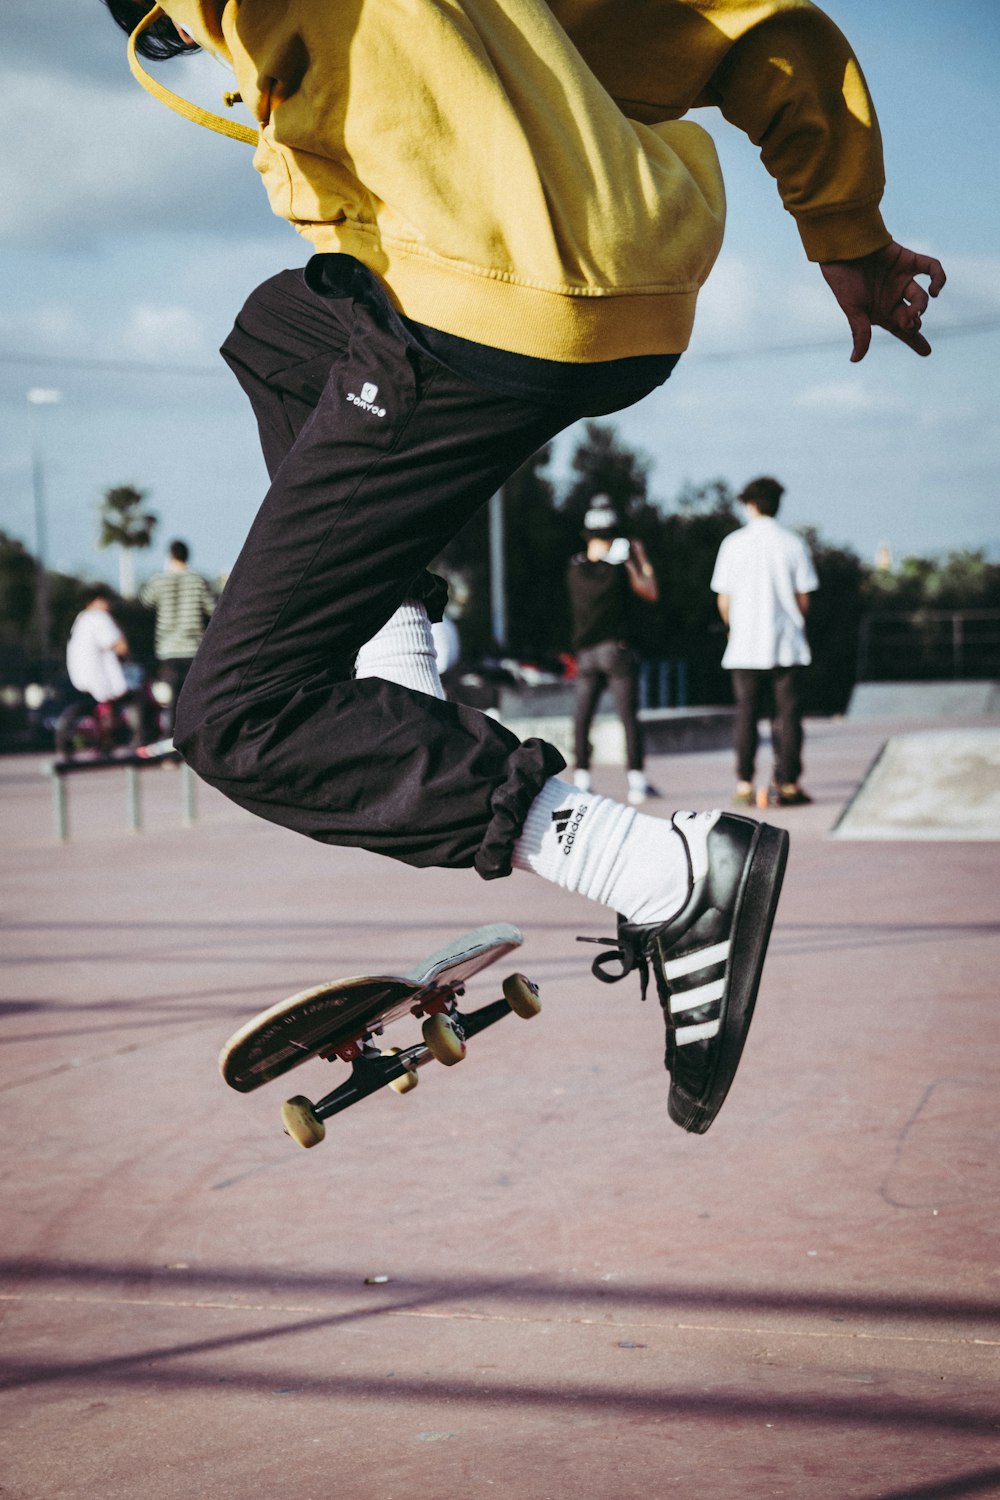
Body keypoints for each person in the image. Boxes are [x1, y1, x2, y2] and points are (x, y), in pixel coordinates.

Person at [101, 0, 945, 1135]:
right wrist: (843, 228)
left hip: (486, 310)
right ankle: (397, 663)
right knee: (282, 327)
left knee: (236, 716)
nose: (218, 60)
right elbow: (758, 31)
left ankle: (657, 870)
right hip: (620, 277)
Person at [711, 478, 819, 807]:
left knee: (746, 715)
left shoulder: (733, 544)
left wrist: (731, 626)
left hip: (744, 645)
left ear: (750, 504)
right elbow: (804, 598)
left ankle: (744, 783)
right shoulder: (793, 543)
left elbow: (723, 599)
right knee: (787, 716)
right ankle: (787, 784)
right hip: (786, 644)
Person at [567, 499, 660, 805]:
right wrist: (638, 559)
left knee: (582, 716)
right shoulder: (620, 569)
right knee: (628, 717)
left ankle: (581, 776)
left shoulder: (574, 569)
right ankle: (636, 781)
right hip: (617, 650)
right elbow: (650, 591)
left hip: (585, 654)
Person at [139, 539, 217, 736]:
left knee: (173, 700)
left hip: (168, 649)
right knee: (194, 699)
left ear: (170, 556)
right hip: (192, 648)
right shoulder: (198, 580)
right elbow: (212, 608)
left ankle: (170, 743)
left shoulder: (159, 581)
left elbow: (145, 602)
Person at [55, 586, 137, 757]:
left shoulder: (82, 618)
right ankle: (124, 740)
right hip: (100, 674)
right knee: (125, 700)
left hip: (81, 672)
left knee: (99, 705)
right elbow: (119, 646)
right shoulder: (99, 617)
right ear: (96, 601)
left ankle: (101, 741)